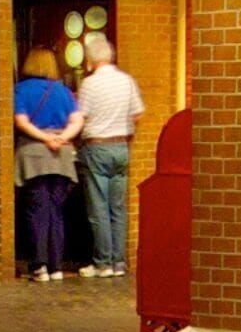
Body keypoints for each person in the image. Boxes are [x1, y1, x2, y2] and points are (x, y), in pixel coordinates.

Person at [72, 31, 143, 277]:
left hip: (97, 147)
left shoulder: (89, 84)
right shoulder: (127, 80)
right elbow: (137, 114)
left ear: (91, 59)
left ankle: (103, 262)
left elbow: (81, 116)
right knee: (118, 207)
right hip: (121, 146)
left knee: (99, 208)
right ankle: (119, 262)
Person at [12, 47, 82, 281]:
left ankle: (39, 265)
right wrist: (61, 138)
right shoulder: (63, 91)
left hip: (33, 155)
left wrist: (44, 138)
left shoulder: (21, 89)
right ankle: (56, 266)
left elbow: (21, 121)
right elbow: (77, 120)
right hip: (61, 156)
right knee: (56, 210)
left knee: (37, 210)